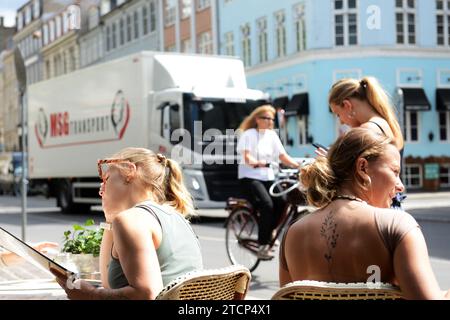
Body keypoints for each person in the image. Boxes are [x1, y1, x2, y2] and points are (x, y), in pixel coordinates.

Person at [279, 128, 450, 299]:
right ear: (363, 167)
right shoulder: (396, 226)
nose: (400, 186)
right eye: (395, 172)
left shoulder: (292, 233)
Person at [52, 148, 203, 300]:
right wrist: (110, 219)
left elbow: (147, 295)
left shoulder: (131, 220)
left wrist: (90, 295)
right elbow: (108, 284)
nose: (101, 188)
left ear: (130, 171)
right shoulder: (176, 218)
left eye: (107, 179)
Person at [325, 76, 406, 208]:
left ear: (347, 105)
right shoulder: (385, 124)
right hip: (391, 202)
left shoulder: (368, 130)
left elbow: (352, 175)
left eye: (338, 114)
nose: (340, 121)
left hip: (377, 207)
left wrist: (329, 160)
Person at [236, 105, 300, 260]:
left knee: (283, 202)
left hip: (268, 177)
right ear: (257, 120)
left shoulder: (272, 136)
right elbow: (246, 156)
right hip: (250, 177)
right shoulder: (248, 135)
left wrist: (299, 165)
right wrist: (255, 162)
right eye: (266, 118)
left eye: (272, 119)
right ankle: (262, 244)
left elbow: (283, 156)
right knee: (267, 204)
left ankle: (270, 230)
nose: (270, 121)